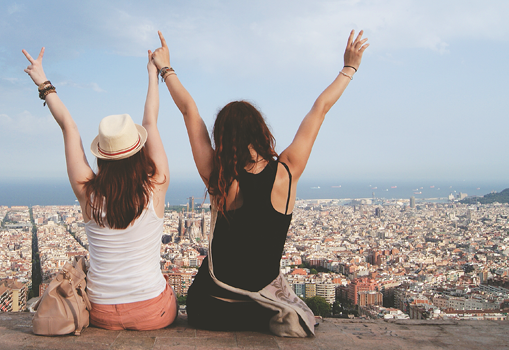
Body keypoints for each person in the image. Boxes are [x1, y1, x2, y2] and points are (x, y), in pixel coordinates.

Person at [151, 30, 369, 332]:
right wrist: (349, 68)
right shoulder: (288, 171)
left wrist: (166, 68)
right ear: (260, 130)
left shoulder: (219, 177)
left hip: (209, 307)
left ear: (223, 140)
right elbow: (319, 110)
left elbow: (190, 111)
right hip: (258, 307)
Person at [22, 45, 176, 331]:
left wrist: (44, 82)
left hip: (102, 313)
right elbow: (150, 121)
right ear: (139, 151)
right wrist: (153, 73)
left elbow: (69, 127)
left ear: (102, 158)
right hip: (152, 313)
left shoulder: (88, 194)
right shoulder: (157, 185)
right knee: (168, 292)